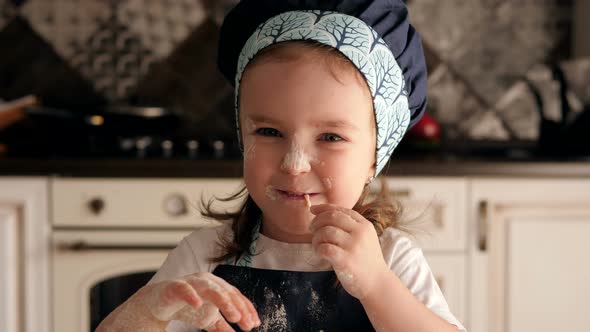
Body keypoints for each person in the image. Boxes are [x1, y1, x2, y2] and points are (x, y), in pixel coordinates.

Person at [96, 0, 466, 331]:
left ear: (375, 157)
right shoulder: (205, 256)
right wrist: (153, 307)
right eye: (269, 131)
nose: (294, 164)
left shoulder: (389, 258)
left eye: (331, 137)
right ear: (243, 138)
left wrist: (376, 285)